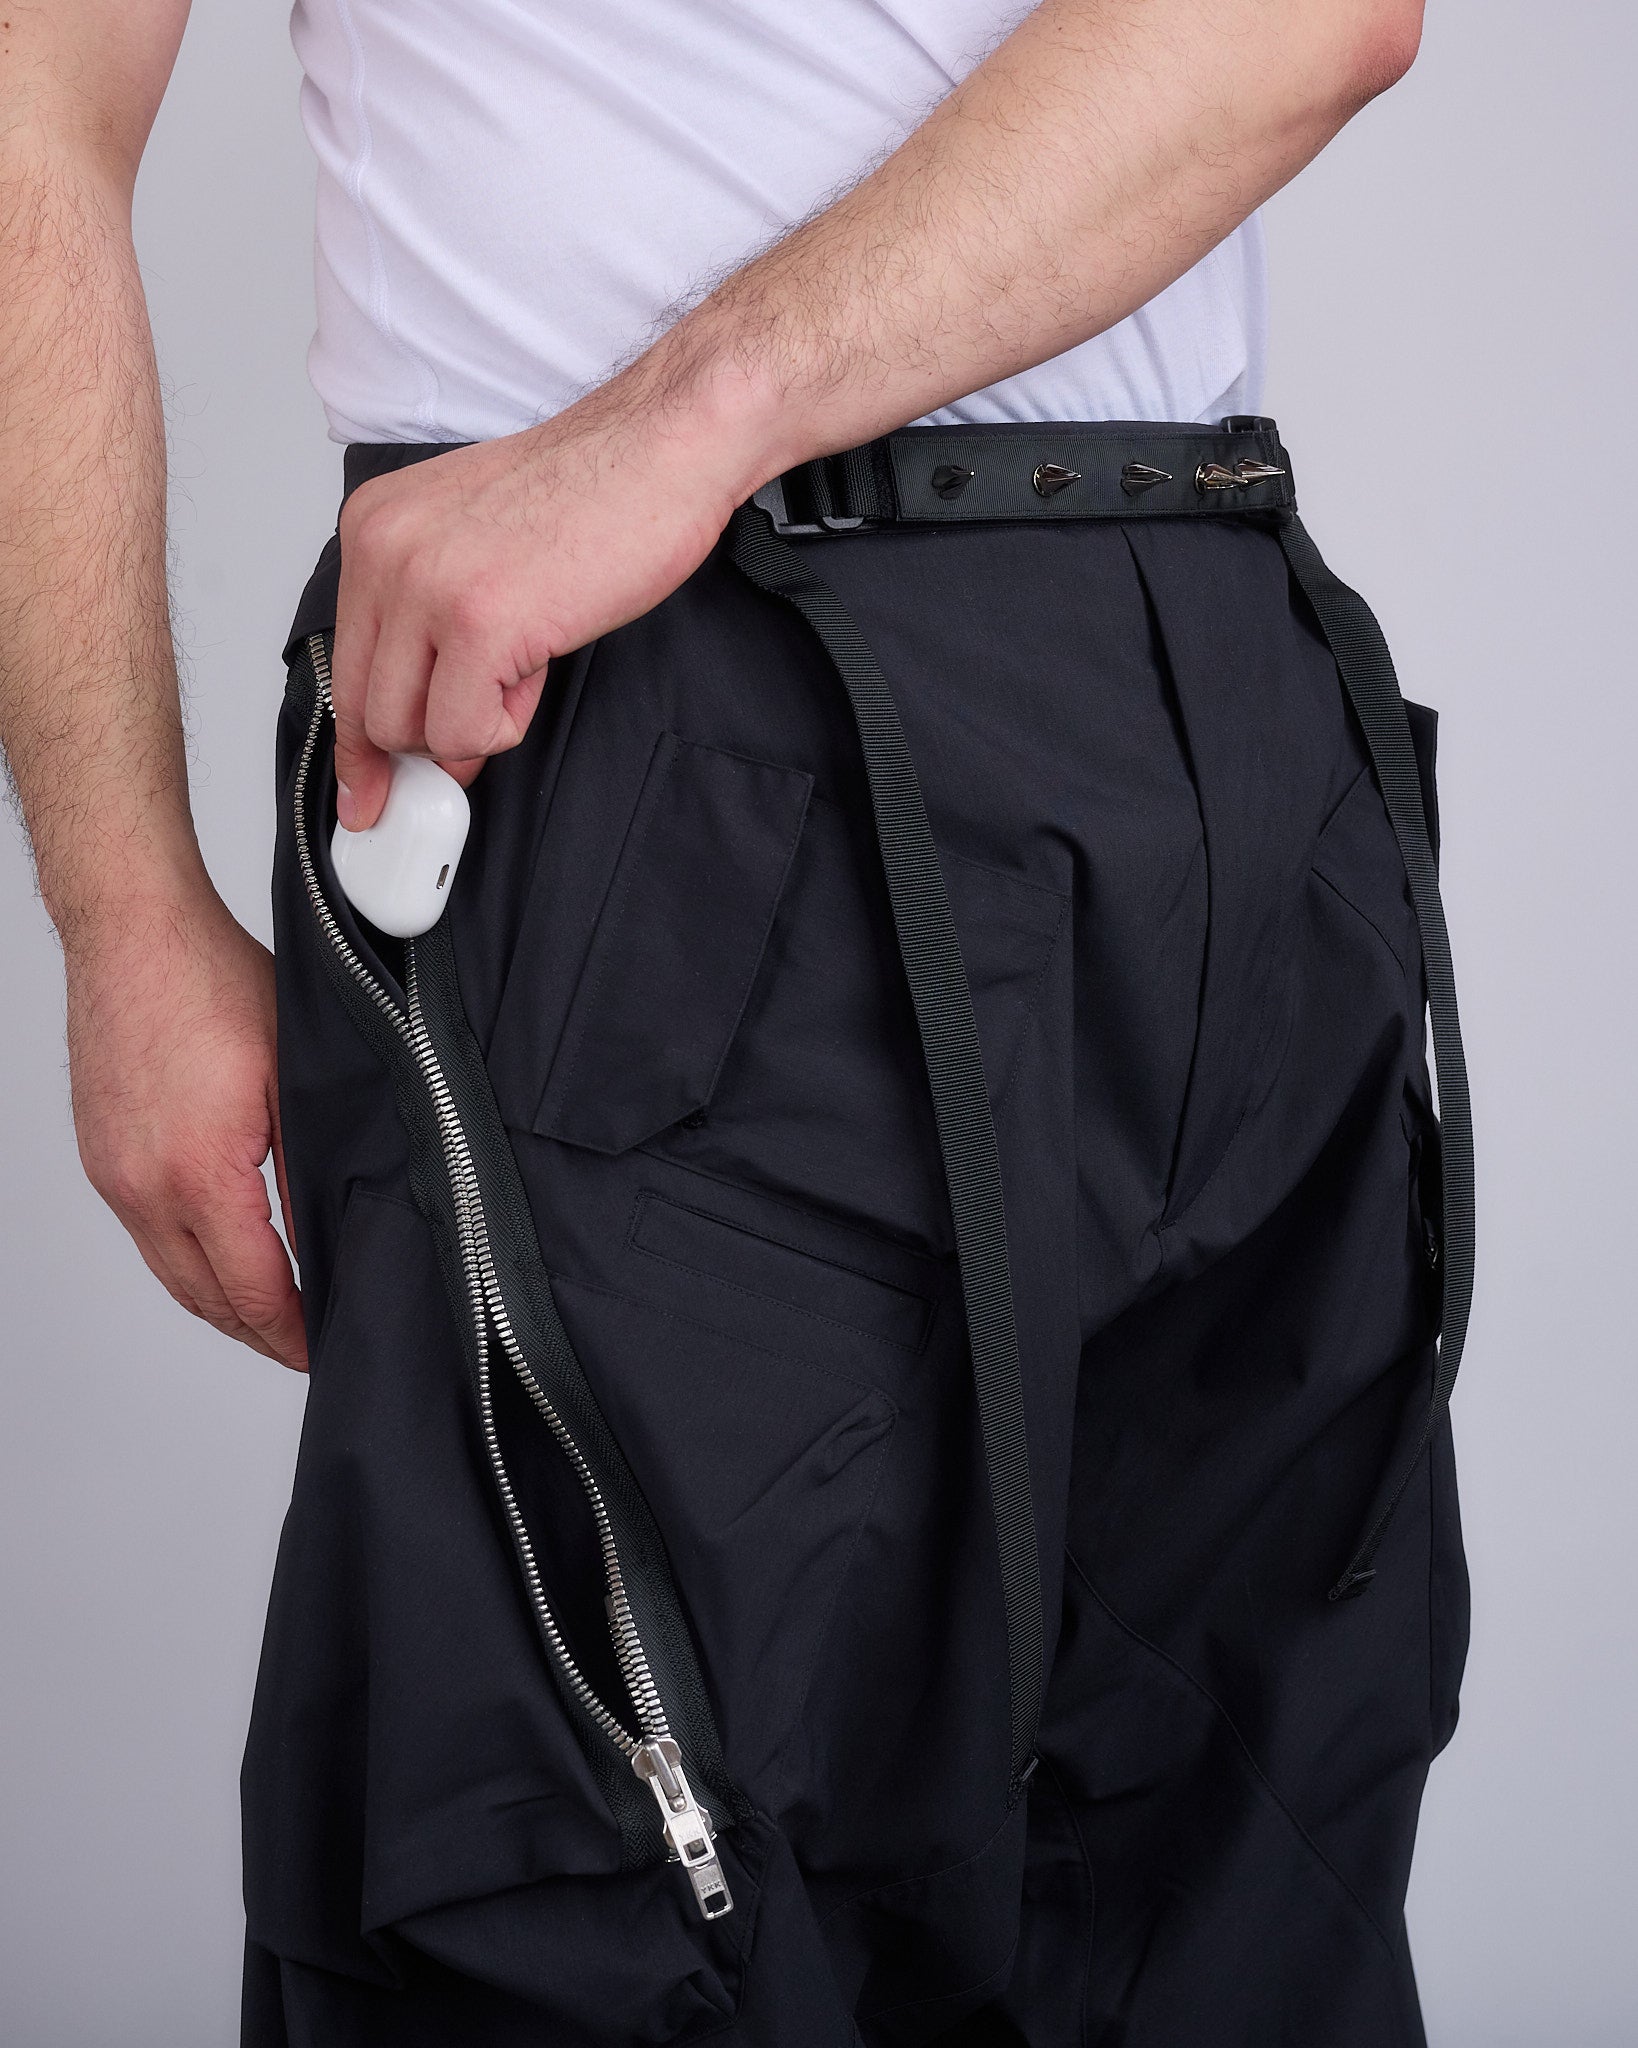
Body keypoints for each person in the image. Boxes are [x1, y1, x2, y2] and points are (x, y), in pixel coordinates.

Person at [0, 2, 1473, 2042]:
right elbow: (31, 95)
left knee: (1233, 1906)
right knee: (583, 1904)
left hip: (1197, 682)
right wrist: (123, 909)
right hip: (635, 731)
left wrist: (692, 414)